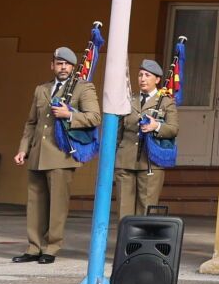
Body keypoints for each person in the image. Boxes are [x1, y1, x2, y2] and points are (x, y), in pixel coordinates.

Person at [12, 46, 99, 264]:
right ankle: (34, 247)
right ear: (52, 65)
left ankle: (51, 247)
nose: (63, 67)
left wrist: (70, 115)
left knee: (57, 205)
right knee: (35, 203)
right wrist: (23, 148)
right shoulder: (42, 89)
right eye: (59, 63)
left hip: (61, 154)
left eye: (67, 64)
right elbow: (31, 123)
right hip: (37, 154)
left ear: (73, 67)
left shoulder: (82, 88)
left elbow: (94, 117)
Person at [115, 58, 178, 219]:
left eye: (147, 75)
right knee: (124, 210)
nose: (142, 79)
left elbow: (173, 129)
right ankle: (125, 236)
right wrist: (115, 157)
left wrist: (156, 126)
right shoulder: (130, 100)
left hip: (150, 162)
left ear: (157, 80)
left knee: (146, 210)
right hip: (125, 160)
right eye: (140, 75)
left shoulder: (166, 102)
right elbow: (119, 132)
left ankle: (142, 236)